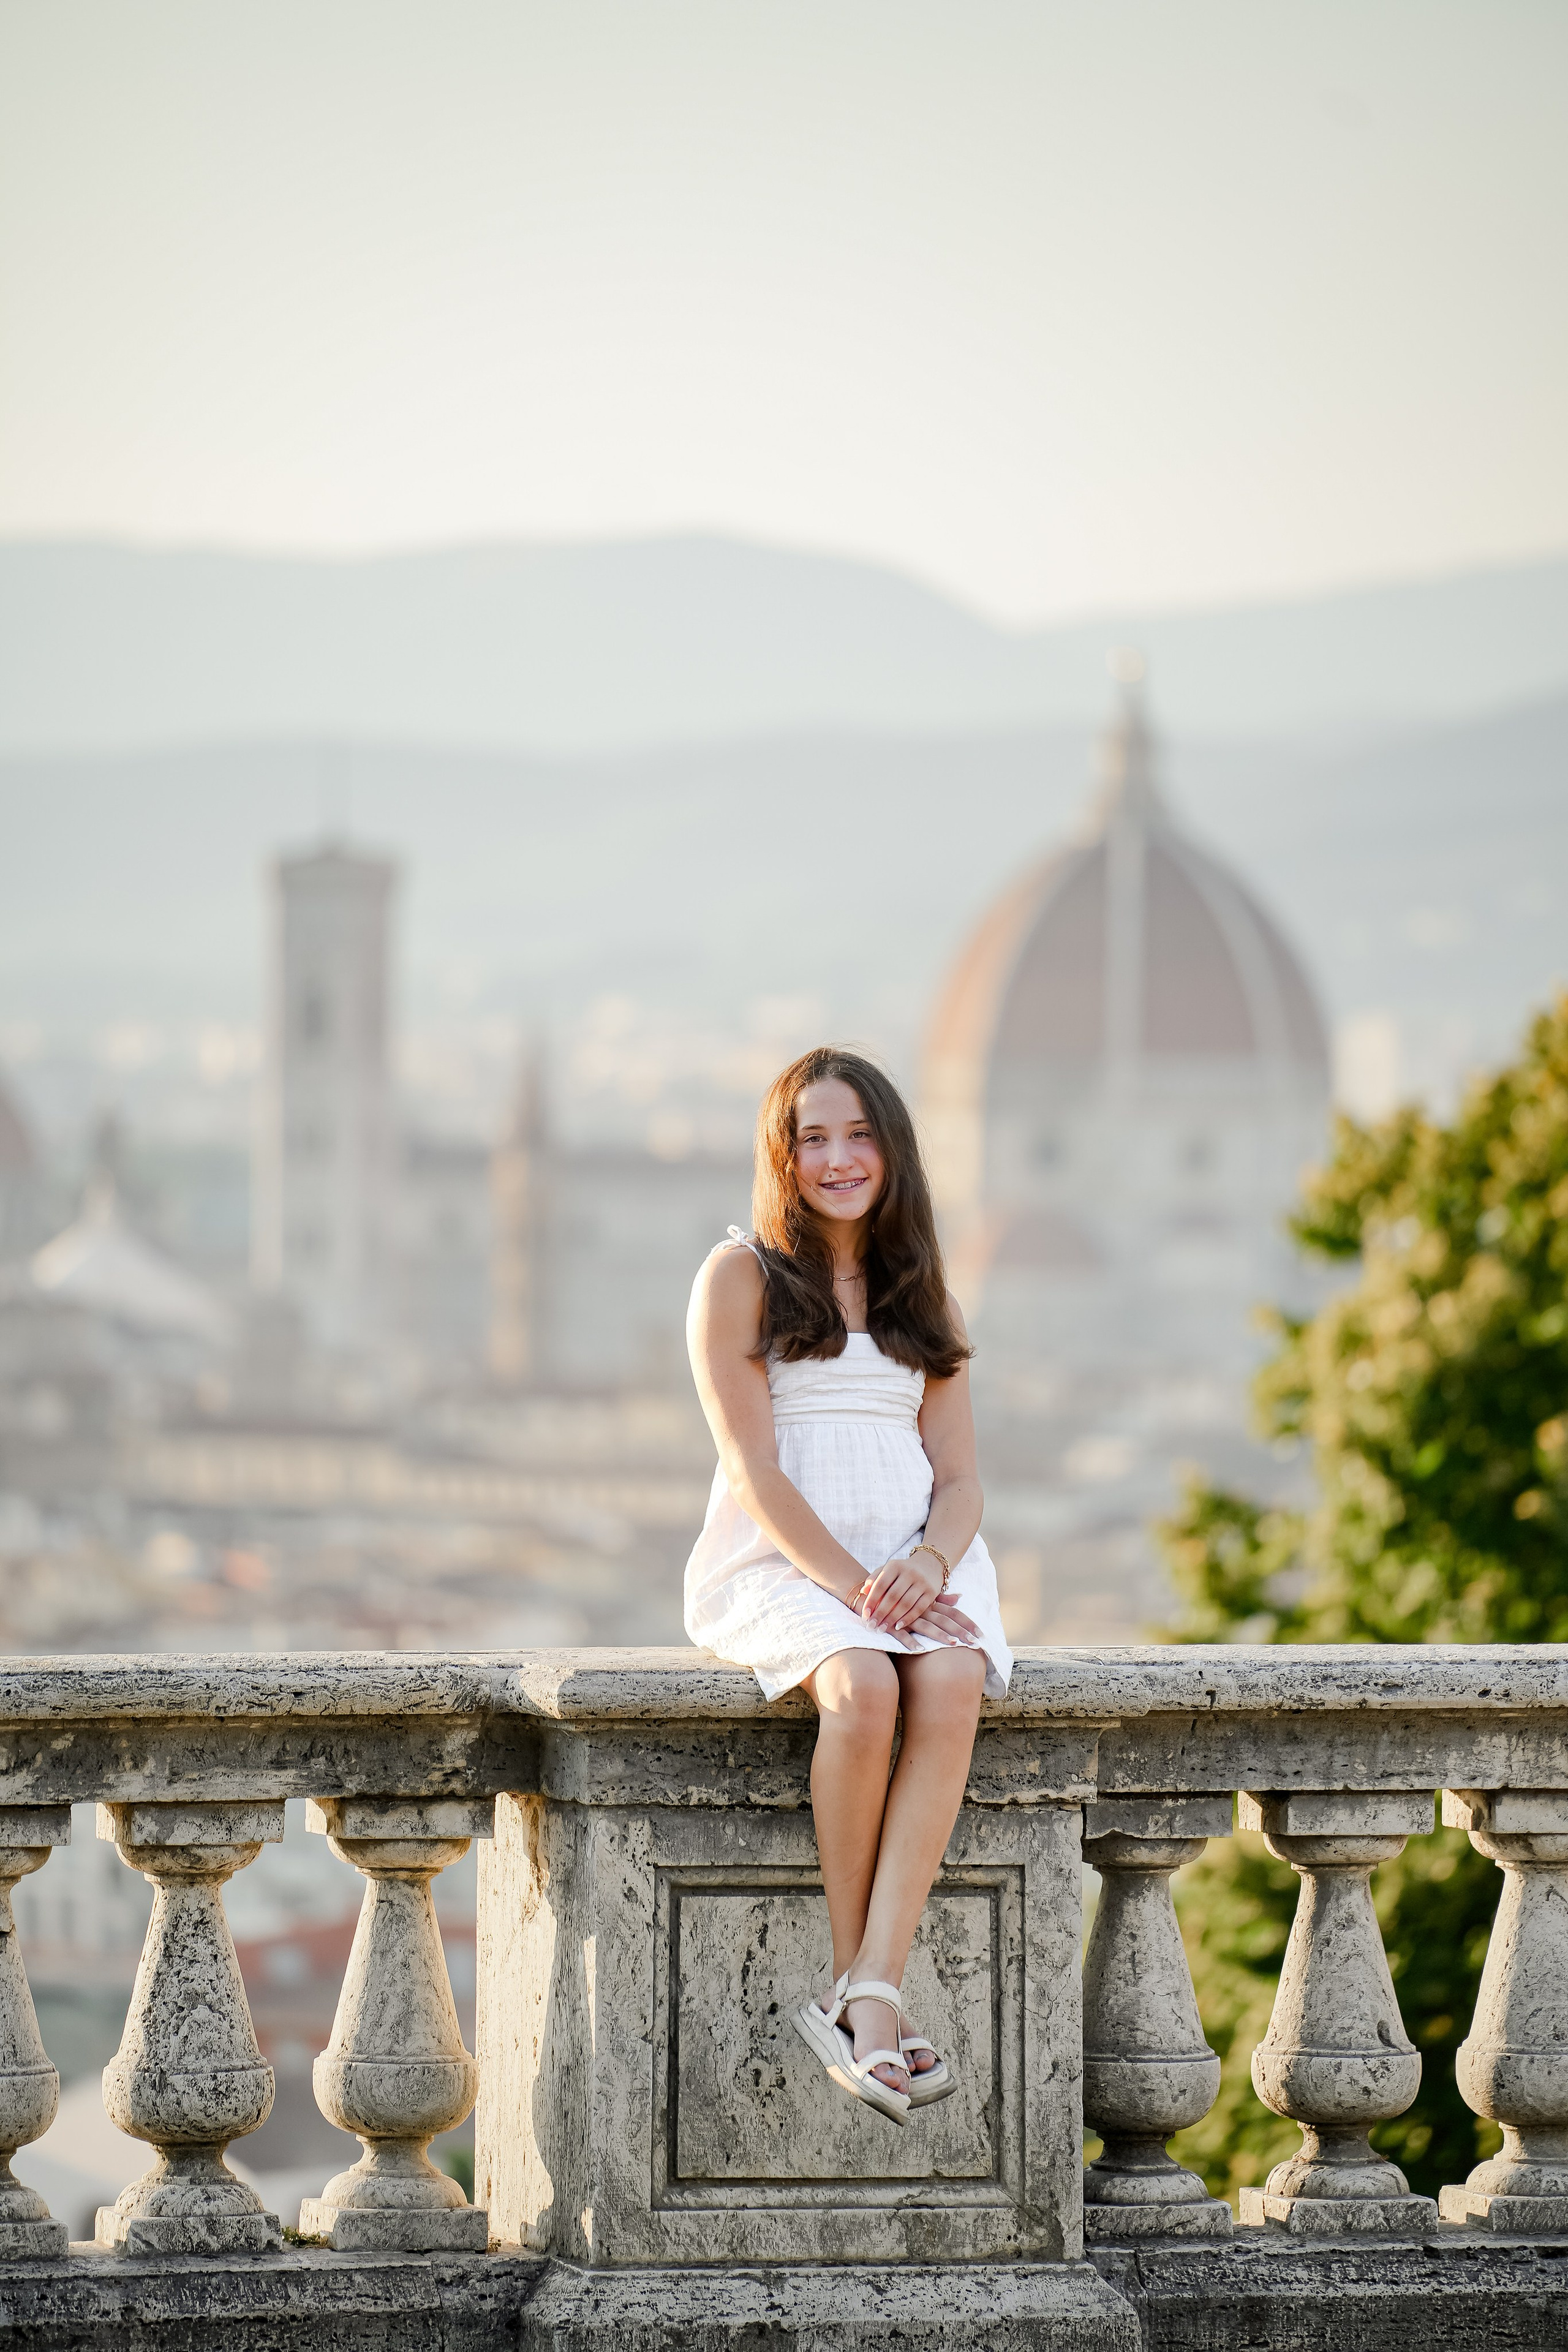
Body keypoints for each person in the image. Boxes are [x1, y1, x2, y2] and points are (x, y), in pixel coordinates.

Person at [683, 1045, 1012, 2124]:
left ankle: (870, 1988)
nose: (837, 1158)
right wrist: (858, 1587)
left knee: (954, 1681)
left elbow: (960, 1476)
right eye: (812, 1137)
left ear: (892, 1149)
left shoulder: (923, 1287)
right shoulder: (740, 1276)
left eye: (858, 1133)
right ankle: (859, 1983)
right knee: (865, 1690)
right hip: (787, 1559)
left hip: (916, 1556)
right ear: (782, 1156)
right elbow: (753, 1468)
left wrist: (926, 1561)